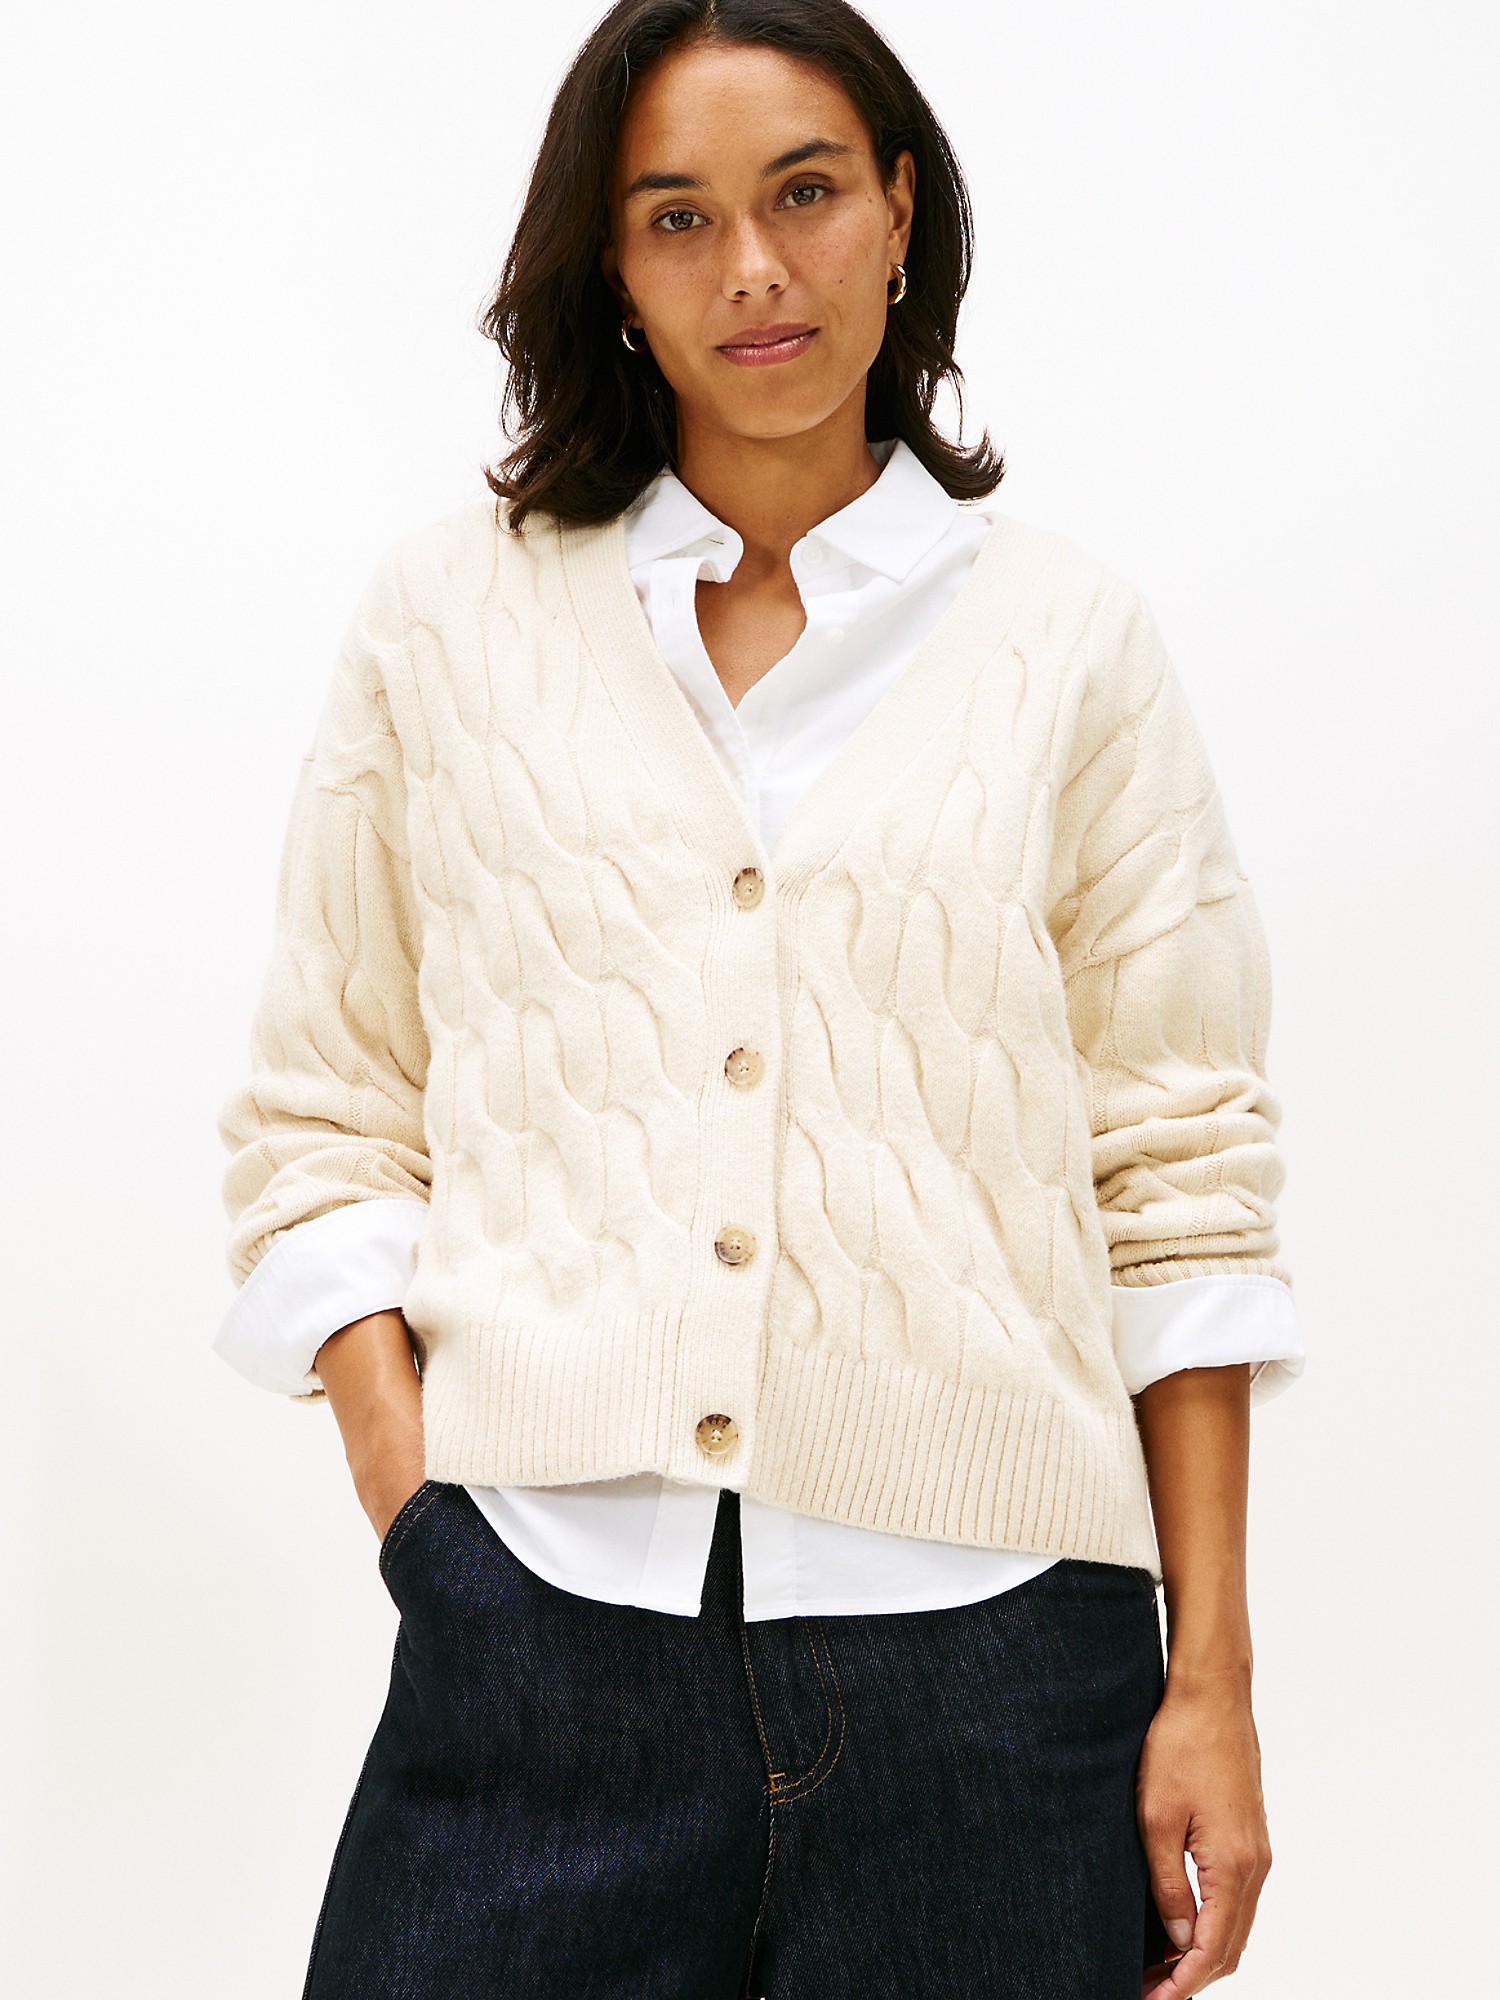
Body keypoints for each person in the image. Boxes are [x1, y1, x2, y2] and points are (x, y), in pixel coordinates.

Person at [213, 3, 1305, 1995]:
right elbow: (324, 1113)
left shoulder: (1066, 640)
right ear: (611, 269)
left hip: (998, 1682)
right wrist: (423, 1511)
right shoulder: (449, 619)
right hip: (538, 1647)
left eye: (803, 193)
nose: (753, 270)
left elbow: (1181, 1181)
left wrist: (1210, 1680)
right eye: (677, 216)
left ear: (900, 210)